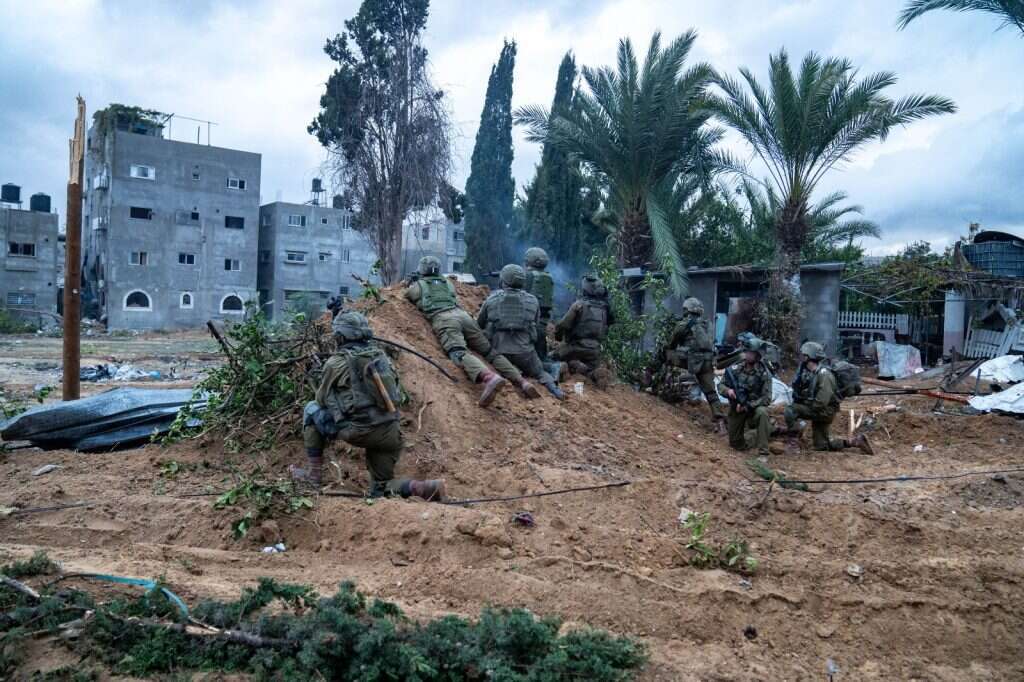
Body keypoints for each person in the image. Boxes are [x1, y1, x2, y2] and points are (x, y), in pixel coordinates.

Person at [292, 311, 444, 500]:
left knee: (311, 408)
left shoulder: (335, 362)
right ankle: (421, 488)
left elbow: (322, 399)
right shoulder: (380, 356)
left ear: (340, 337)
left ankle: (313, 475)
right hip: (390, 432)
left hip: (360, 431)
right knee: (380, 489)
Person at [405, 256, 539, 406]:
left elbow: (406, 295)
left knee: (458, 353)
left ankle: (489, 378)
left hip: (444, 319)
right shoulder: (447, 283)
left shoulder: (418, 286)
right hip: (464, 316)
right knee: (490, 352)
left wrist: (410, 282)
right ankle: (522, 382)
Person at [478, 264, 566, 400]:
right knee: (540, 373)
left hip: (499, 352)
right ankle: (555, 390)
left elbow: (479, 324)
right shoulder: (533, 301)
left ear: (503, 281)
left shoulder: (491, 300)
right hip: (525, 353)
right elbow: (535, 324)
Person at [785, 341, 874, 454]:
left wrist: (804, 404)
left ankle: (793, 444)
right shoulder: (814, 373)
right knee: (821, 446)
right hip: (824, 410)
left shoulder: (824, 375)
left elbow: (821, 402)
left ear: (809, 356)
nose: (801, 357)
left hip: (825, 411)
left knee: (791, 410)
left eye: (804, 355)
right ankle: (855, 442)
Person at [667, 297, 725, 431]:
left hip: (693, 361)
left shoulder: (684, 324)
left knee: (663, 353)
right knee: (710, 392)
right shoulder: (708, 323)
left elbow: (672, 343)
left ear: (687, 309)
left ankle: (650, 374)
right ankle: (720, 422)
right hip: (708, 361)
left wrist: (672, 349)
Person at [551, 274, 614, 386]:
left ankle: (563, 367)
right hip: (594, 350)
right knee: (589, 369)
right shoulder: (605, 307)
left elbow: (563, 325)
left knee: (551, 357)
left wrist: (558, 337)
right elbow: (609, 325)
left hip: (574, 347)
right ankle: (594, 374)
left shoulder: (579, 305)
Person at [719, 335, 773, 457]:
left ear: (758, 355)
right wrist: (728, 391)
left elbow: (766, 398)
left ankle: (763, 451)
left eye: (751, 352)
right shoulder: (736, 367)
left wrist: (748, 405)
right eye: (747, 351)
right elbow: (721, 385)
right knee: (736, 444)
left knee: (763, 412)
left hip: (754, 408)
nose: (747, 354)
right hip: (737, 407)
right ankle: (764, 431)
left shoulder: (764, 374)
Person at [524, 247, 555, 361]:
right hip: (543, 316)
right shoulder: (548, 277)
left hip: (528, 314)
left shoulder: (528, 275)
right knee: (540, 339)